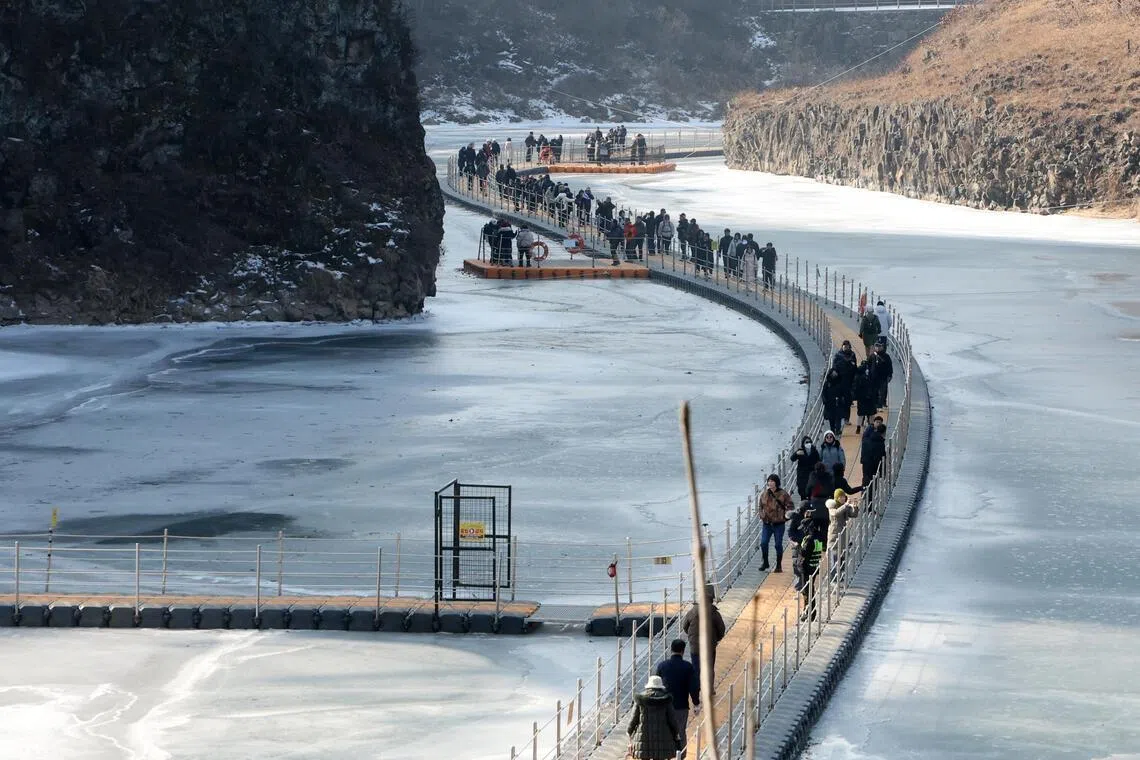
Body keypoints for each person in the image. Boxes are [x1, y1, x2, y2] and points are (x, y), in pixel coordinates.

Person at [656, 639, 699, 758]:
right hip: (681, 706)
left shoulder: (662, 666)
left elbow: (656, 686)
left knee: (665, 731)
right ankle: (681, 755)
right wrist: (696, 703)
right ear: (683, 651)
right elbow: (693, 687)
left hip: (664, 705)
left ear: (671, 650)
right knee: (680, 732)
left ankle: (665, 754)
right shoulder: (688, 667)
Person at [627, 675, 682, 760]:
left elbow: (634, 719)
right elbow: (672, 720)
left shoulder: (640, 699)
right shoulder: (666, 699)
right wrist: (676, 732)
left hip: (643, 738)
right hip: (662, 738)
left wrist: (629, 731)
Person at [681, 587, 726, 680]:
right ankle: (709, 686)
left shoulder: (692, 612)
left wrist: (691, 637)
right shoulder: (714, 613)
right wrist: (716, 639)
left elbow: (685, 626)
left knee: (696, 668)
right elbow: (721, 630)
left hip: (695, 646)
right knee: (709, 669)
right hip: (709, 646)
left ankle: (697, 686)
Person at [758, 473, 793, 572]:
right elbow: (760, 506)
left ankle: (778, 565)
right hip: (767, 524)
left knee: (778, 544)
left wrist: (785, 517)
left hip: (779, 524)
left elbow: (790, 507)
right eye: (769, 481)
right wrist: (762, 516)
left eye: (772, 481)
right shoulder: (764, 494)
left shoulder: (783, 494)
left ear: (776, 482)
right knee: (763, 543)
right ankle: (765, 562)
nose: (770, 483)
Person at [798, 519, 825, 622]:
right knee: (810, 590)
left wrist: (798, 547)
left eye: (804, 528)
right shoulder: (819, 536)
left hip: (807, 568)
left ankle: (810, 613)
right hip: (814, 566)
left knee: (807, 592)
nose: (803, 530)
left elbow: (804, 553)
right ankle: (810, 612)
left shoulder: (809, 539)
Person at [791, 435, 820, 500]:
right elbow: (792, 459)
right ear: (803, 443)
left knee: (811, 491)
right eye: (806, 442)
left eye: (809, 442)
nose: (808, 443)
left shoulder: (814, 450)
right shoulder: (800, 450)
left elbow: (818, 460)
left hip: (811, 473)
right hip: (802, 475)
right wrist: (796, 453)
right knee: (802, 491)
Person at [861, 421, 887, 491]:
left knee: (865, 481)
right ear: (883, 433)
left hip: (865, 463)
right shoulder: (880, 443)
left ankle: (864, 494)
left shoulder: (867, 439)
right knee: (873, 483)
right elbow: (882, 456)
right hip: (874, 465)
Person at [823, 369, 849, 435]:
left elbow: (844, 392)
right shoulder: (827, 383)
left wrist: (843, 399)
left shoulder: (840, 382)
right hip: (830, 403)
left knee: (838, 417)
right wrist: (825, 400)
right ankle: (832, 429)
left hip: (838, 402)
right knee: (831, 418)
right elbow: (824, 392)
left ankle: (837, 429)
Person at [873, 339, 894, 408]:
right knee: (875, 390)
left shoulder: (886, 356)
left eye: (880, 346)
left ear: (882, 347)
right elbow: (869, 365)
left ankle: (882, 403)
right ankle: (876, 403)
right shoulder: (873, 356)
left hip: (883, 377)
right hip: (874, 377)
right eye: (876, 346)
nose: (878, 347)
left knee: (883, 391)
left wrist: (890, 375)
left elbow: (890, 366)